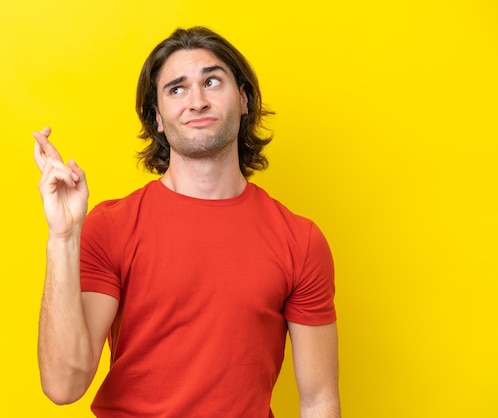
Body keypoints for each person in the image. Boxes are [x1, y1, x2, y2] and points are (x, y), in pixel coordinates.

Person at [33, 26, 340, 418]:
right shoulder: (111, 226)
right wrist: (63, 237)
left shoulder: (300, 240)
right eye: (176, 89)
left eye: (211, 81)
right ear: (158, 118)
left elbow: (318, 400)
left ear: (244, 99)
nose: (196, 101)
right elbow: (63, 385)